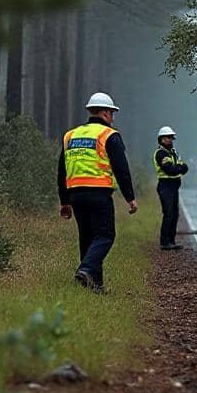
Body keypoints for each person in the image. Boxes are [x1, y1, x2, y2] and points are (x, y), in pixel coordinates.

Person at [58, 92, 138, 291]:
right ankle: (85, 269)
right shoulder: (109, 135)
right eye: (111, 113)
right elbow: (121, 168)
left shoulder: (71, 135)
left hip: (76, 195)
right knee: (105, 236)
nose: (112, 117)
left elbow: (62, 170)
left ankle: (95, 286)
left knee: (87, 238)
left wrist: (64, 201)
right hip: (99, 193)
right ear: (104, 113)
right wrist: (130, 198)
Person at [153, 125, 188, 250]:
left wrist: (179, 168)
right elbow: (170, 170)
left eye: (172, 138)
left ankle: (171, 241)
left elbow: (184, 167)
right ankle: (164, 242)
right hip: (165, 186)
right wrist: (179, 168)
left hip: (174, 186)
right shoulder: (161, 153)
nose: (171, 140)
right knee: (168, 213)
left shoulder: (173, 152)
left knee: (175, 214)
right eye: (168, 137)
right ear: (161, 139)